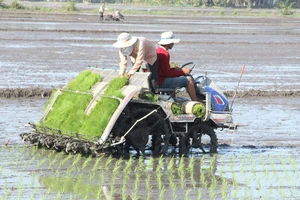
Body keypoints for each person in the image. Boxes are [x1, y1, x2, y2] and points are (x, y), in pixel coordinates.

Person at [156, 31, 197, 101]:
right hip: (162, 82)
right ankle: (195, 102)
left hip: (158, 80)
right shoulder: (165, 54)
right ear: (169, 43)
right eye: (172, 42)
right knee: (188, 80)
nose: (173, 44)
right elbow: (167, 73)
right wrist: (183, 72)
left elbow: (163, 69)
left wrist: (175, 69)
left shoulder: (157, 50)